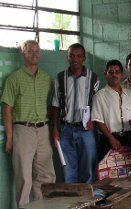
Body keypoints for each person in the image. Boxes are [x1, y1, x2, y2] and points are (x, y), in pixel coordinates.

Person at [1, 40, 55, 207]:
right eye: (30, 51)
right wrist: (10, 138)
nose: (34, 54)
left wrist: (53, 131)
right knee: (24, 177)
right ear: (23, 53)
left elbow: (51, 107)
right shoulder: (14, 79)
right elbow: (7, 109)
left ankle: (43, 206)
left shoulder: (46, 79)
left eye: (37, 51)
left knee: (46, 175)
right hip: (23, 130)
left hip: (44, 129)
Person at [51, 43, 100, 184]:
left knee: (88, 169)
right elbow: (55, 105)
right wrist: (55, 129)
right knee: (68, 169)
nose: (75, 59)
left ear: (84, 58)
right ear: (67, 57)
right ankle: (72, 203)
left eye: (79, 56)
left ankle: (87, 203)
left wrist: (93, 120)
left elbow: (97, 104)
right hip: (65, 129)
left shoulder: (93, 78)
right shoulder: (60, 78)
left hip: (86, 130)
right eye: (72, 56)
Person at [92, 59, 131, 161]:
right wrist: (111, 138)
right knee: (108, 174)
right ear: (105, 74)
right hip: (108, 139)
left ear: (122, 75)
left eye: (117, 72)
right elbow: (98, 120)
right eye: (110, 72)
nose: (114, 75)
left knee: (130, 171)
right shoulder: (99, 96)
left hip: (129, 138)